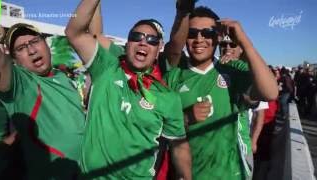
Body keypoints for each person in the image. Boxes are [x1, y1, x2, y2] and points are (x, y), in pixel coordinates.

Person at [65, 0, 191, 179]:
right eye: (136, 37)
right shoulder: (107, 68)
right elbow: (75, 32)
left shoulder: (168, 97)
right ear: (127, 42)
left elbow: (179, 144)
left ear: (159, 49)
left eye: (152, 40)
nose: (143, 43)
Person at [163, 6, 278, 180]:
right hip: (187, 174)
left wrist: (245, 42)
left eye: (207, 33)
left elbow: (270, 93)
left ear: (218, 37)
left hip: (229, 174)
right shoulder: (173, 76)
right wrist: (186, 118)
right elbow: (157, 125)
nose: (199, 39)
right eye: (192, 33)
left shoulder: (233, 70)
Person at [0, 23, 86, 179]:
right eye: (21, 48)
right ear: (14, 60)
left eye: (35, 41)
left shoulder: (62, 77)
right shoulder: (22, 84)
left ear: (46, 43)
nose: (32, 50)